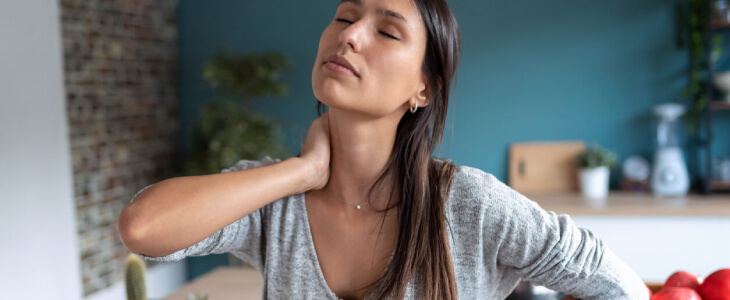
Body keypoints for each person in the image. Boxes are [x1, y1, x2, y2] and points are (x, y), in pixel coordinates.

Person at [117, 0, 649, 299]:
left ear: (424, 89)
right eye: (345, 17)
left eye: (387, 32)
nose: (349, 36)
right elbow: (143, 230)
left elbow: (622, 289)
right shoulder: (273, 201)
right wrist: (300, 172)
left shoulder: (472, 206)